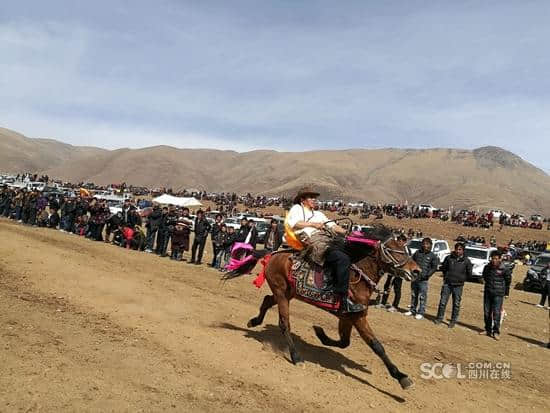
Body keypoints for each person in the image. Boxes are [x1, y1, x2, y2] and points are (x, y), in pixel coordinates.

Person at [286, 186, 360, 313]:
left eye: (315, 198)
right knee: (342, 259)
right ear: (302, 200)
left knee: (352, 251)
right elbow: (294, 223)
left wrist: (347, 232)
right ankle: (342, 300)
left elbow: (332, 226)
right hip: (311, 240)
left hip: (326, 238)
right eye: (311, 197)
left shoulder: (319, 214)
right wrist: (313, 224)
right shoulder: (297, 209)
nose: (315, 200)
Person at [434, 242, 472, 327]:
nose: (458, 251)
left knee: (456, 304)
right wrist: (446, 276)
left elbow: (469, 274)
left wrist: (462, 279)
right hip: (447, 283)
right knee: (443, 302)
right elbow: (444, 268)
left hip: (458, 286)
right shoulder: (449, 258)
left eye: (460, 249)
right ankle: (439, 318)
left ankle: (453, 321)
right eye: (456, 249)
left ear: (463, 250)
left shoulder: (466, 261)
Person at [480, 250, 512, 340]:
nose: (494, 260)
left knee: (497, 313)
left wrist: (506, 293)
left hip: (498, 294)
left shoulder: (504, 269)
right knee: (487, 312)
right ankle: (487, 329)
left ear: (500, 259)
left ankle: (496, 332)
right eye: (493, 259)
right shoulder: (487, 267)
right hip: (488, 292)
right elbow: (485, 277)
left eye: (496, 259)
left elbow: (508, 281)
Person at [405, 238, 438, 320]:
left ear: (430, 245)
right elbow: (412, 261)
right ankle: (412, 310)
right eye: (424, 243)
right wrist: (412, 271)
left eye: (427, 244)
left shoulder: (432, 256)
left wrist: (427, 275)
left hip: (423, 280)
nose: (425, 245)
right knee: (413, 295)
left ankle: (421, 312)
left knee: (422, 296)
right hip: (415, 278)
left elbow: (434, 268)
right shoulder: (417, 253)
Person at [379, 234, 408, 312]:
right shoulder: (394, 249)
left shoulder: (406, 250)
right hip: (391, 272)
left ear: (404, 242)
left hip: (399, 274)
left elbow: (406, 261)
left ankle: (395, 306)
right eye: (398, 240)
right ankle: (383, 302)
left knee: (397, 290)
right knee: (386, 287)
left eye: (401, 241)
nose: (399, 242)